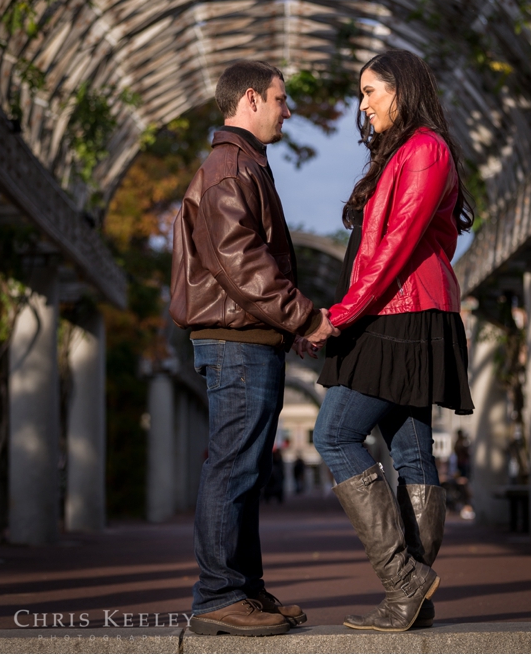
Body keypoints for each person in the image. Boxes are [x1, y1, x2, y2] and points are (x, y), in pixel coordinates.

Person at [300, 50, 475, 632]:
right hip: (401, 310)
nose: (363, 103)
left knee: (334, 433)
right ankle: (411, 603)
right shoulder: (402, 152)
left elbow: (395, 247)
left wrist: (342, 314)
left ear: (404, 89)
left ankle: (405, 581)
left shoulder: (426, 149)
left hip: (400, 313)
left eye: (372, 90)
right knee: (410, 448)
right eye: (360, 92)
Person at [171, 59, 333, 637]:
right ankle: (218, 596)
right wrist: (306, 318)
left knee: (245, 468)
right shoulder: (229, 167)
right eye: (281, 99)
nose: (288, 111)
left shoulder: (240, 165)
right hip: (235, 339)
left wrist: (290, 327)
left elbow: (244, 266)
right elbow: (243, 263)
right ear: (251, 99)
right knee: (234, 465)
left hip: (246, 335)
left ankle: (243, 590)